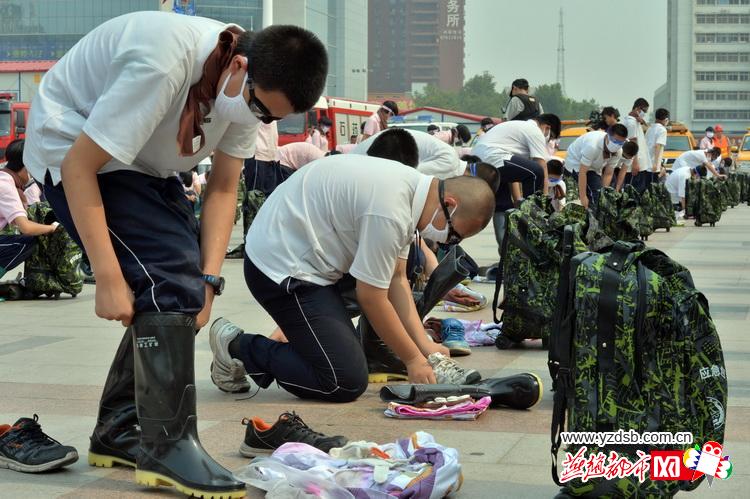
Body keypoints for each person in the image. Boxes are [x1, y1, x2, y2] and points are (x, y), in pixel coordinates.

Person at [23, 11, 328, 497]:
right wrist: (106, 275)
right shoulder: (163, 64)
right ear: (240, 66)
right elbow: (80, 165)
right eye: (259, 106)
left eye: (272, 116)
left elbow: (225, 188)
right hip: (73, 148)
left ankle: (121, 430)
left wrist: (208, 284)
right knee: (167, 282)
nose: (260, 119)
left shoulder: (244, 97)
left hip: (146, 163)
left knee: (180, 287)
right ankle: (168, 446)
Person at [207, 155, 495, 402]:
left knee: (347, 350)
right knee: (342, 380)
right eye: (454, 234)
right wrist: (412, 360)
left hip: (313, 263)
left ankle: (310, 343)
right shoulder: (391, 210)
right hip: (281, 270)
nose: (447, 241)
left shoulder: (412, 192)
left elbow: (396, 278)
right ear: (450, 203)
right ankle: (238, 346)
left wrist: (424, 346)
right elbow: (371, 296)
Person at [471, 113, 561, 255]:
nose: (547, 140)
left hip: (483, 162)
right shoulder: (534, 130)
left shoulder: (517, 130)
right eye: (550, 136)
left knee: (503, 205)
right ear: (547, 128)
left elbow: (514, 175)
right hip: (493, 157)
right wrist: (543, 201)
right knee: (535, 171)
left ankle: (505, 250)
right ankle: (531, 224)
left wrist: (518, 199)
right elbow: (541, 166)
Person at [0, 139, 59, 280]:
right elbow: (26, 228)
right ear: (27, 166)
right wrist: (52, 228)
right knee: (29, 241)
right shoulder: (5, 185)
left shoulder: (4, 178)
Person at [563, 124, 634, 208]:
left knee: (598, 195)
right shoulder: (592, 146)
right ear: (608, 136)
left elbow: (608, 173)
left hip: (594, 167)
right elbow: (582, 172)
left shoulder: (618, 151)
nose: (617, 145)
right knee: (582, 198)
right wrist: (583, 197)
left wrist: (603, 195)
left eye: (621, 143)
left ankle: (594, 215)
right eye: (615, 141)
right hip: (575, 164)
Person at [353, 128, 468, 179]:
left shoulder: (449, 150)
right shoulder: (449, 158)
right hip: (382, 152)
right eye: (461, 140)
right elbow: (415, 173)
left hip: (386, 149)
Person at [621, 98, 651, 190]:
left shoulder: (635, 121)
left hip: (640, 165)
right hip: (635, 166)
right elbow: (632, 144)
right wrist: (635, 163)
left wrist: (641, 120)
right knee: (634, 193)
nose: (644, 114)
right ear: (638, 109)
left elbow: (646, 126)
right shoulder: (631, 123)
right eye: (644, 111)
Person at [645, 108, 670, 172]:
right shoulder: (662, 130)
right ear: (666, 119)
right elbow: (657, 145)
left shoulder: (650, 128)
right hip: (653, 167)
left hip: (645, 164)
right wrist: (655, 164)